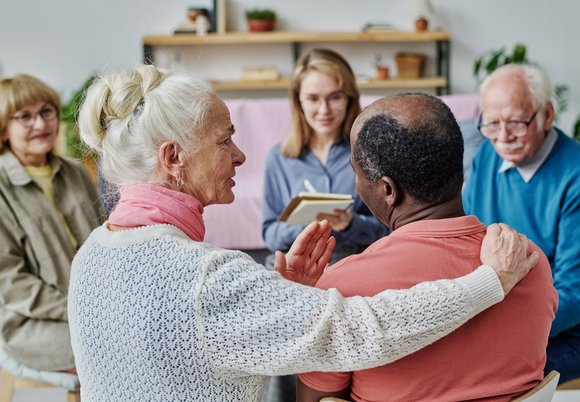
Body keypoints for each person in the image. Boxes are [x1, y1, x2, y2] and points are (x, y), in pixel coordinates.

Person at [68, 65, 537, 401]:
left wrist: (282, 296)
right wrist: (488, 282)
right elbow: (362, 330)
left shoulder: (91, 254)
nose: (240, 156)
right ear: (173, 158)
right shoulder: (206, 278)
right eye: (223, 140)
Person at [298, 93, 558, 402]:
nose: (356, 184)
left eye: (357, 172)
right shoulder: (529, 261)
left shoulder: (339, 289)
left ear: (387, 190)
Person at [463, 64, 580, 384]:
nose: (503, 137)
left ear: (547, 115)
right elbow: (467, 241)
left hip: (564, 333)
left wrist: (499, 330)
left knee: (474, 379)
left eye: (516, 122)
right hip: (494, 315)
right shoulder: (486, 156)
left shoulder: (575, 176)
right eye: (492, 123)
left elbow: (575, 294)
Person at [0, 74, 104, 372]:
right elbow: (11, 283)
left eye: (47, 111)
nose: (41, 124)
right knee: (107, 351)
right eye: (25, 116)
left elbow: (105, 239)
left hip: (95, 307)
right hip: (32, 322)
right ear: (4, 129)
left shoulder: (76, 172)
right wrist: (79, 311)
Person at [262, 48, 389, 267]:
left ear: (349, 99)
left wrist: (351, 223)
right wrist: (303, 226)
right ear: (298, 102)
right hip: (297, 266)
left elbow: (390, 229)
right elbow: (270, 235)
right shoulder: (279, 158)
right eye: (312, 99)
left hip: (355, 264)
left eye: (335, 97)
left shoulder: (371, 154)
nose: (324, 110)